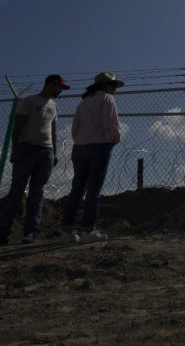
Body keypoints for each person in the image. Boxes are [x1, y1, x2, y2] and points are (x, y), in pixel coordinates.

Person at [0, 74, 70, 245]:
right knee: (17, 192)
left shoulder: (54, 105)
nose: (60, 91)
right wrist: (15, 149)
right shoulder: (29, 101)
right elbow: (17, 125)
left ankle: (30, 233)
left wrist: (54, 152)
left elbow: (53, 131)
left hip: (45, 152)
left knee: (37, 192)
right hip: (27, 149)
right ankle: (3, 234)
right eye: (59, 87)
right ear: (50, 84)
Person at [61, 71, 124, 243]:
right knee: (93, 189)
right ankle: (88, 230)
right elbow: (110, 124)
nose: (114, 89)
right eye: (113, 85)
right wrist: (115, 140)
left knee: (77, 189)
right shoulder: (107, 99)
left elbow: (74, 129)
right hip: (100, 145)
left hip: (79, 147)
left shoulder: (84, 103)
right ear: (106, 85)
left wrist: (81, 141)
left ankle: (67, 231)